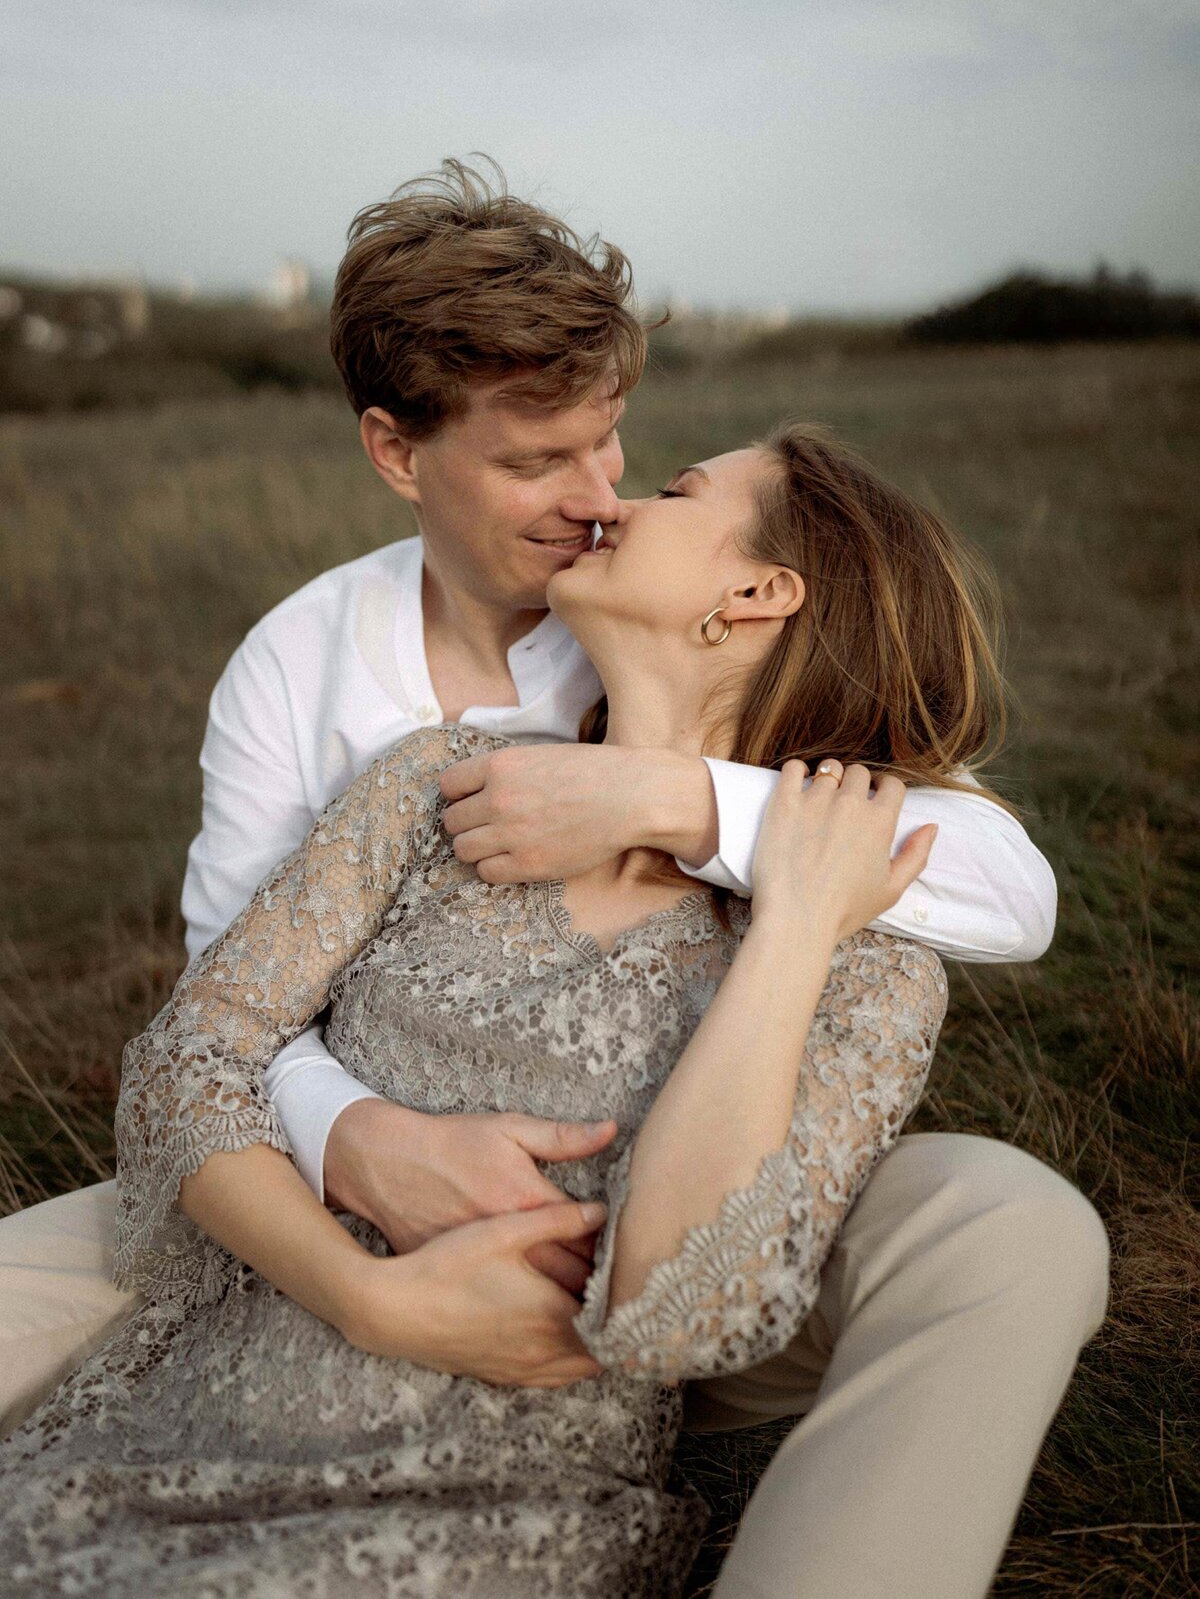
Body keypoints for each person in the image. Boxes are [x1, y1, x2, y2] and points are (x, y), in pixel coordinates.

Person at [0, 165, 1109, 1597]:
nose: (601, 501)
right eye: (539, 465)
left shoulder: (738, 747)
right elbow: (214, 1025)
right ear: (400, 455)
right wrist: (365, 1164)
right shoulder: (320, 679)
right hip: (320, 1177)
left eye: (625, 450)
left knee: (1014, 1226)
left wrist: (666, 798)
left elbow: (1004, 890)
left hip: (669, 1246)